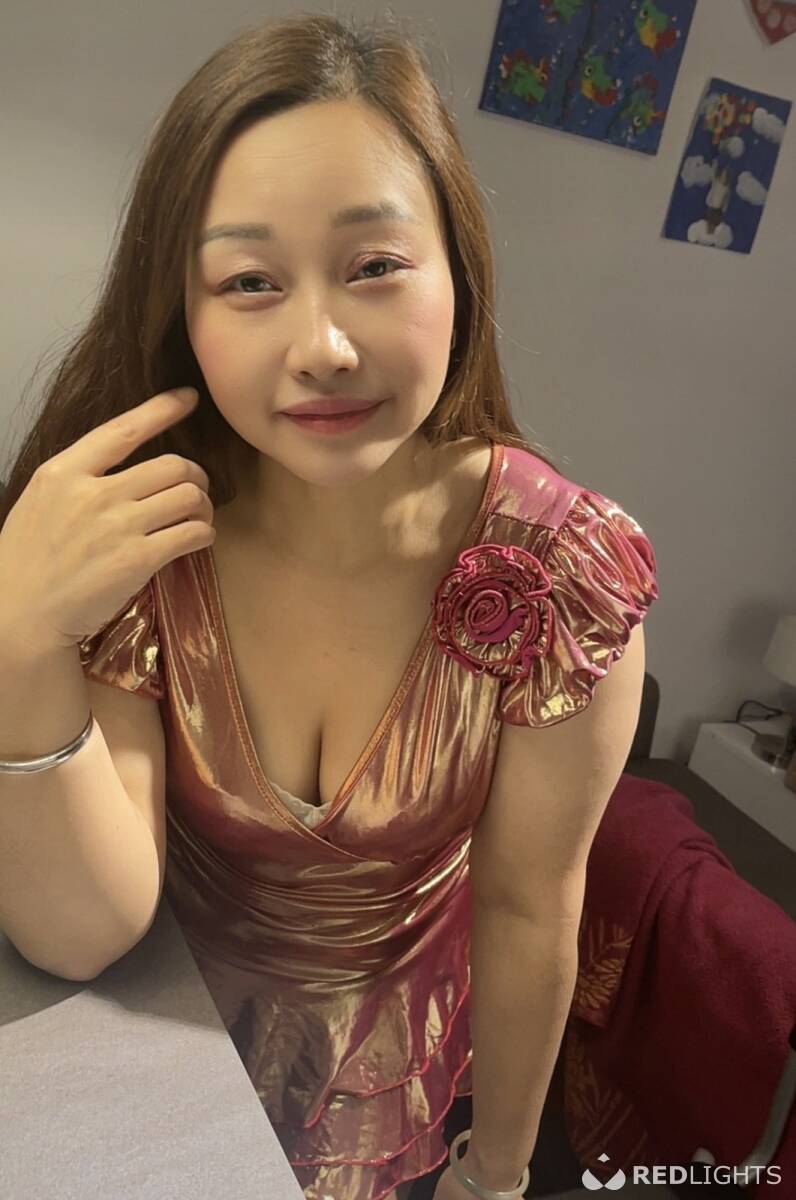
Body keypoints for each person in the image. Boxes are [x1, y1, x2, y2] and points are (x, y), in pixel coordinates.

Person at [0, 13, 658, 1200]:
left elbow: (527, 908)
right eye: (250, 282)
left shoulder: (561, 572)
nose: (324, 347)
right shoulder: (148, 542)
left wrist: (498, 1177)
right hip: (149, 1047)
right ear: (184, 310)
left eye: (374, 266)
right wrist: (16, 638)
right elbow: (84, 930)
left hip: (387, 1084)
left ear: (458, 269)